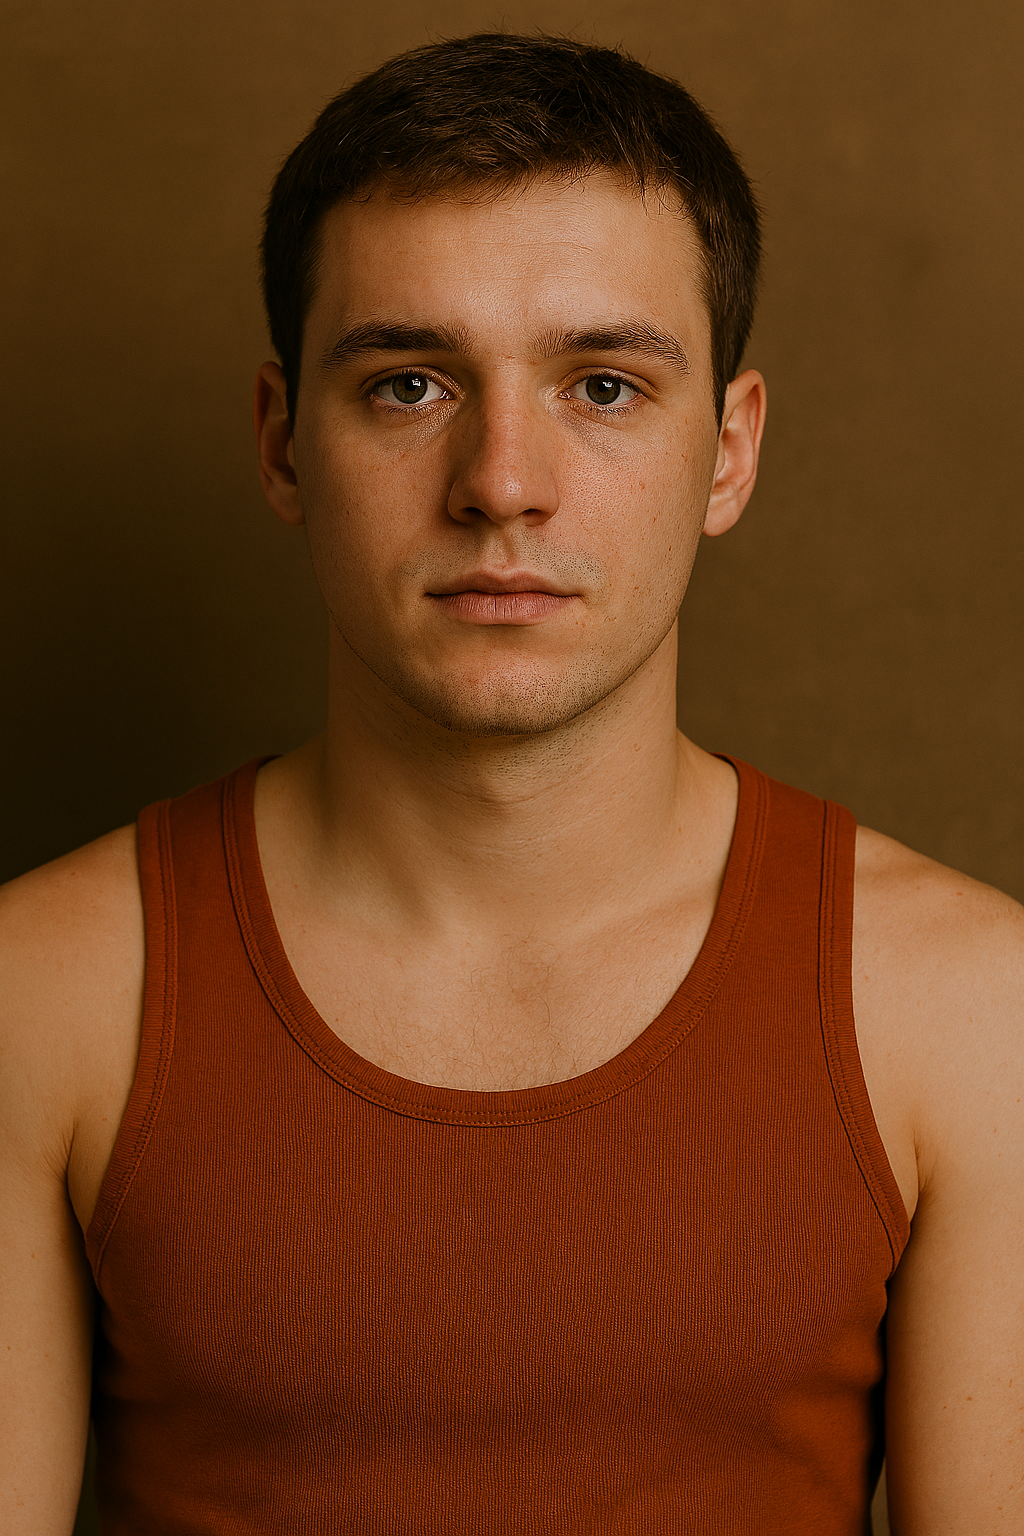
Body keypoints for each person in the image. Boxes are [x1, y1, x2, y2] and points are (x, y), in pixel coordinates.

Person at [1, 31, 1021, 1536]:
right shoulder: (40, 996)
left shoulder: (973, 1013)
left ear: (728, 453)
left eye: (603, 385)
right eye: (409, 384)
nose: (501, 482)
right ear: (283, 444)